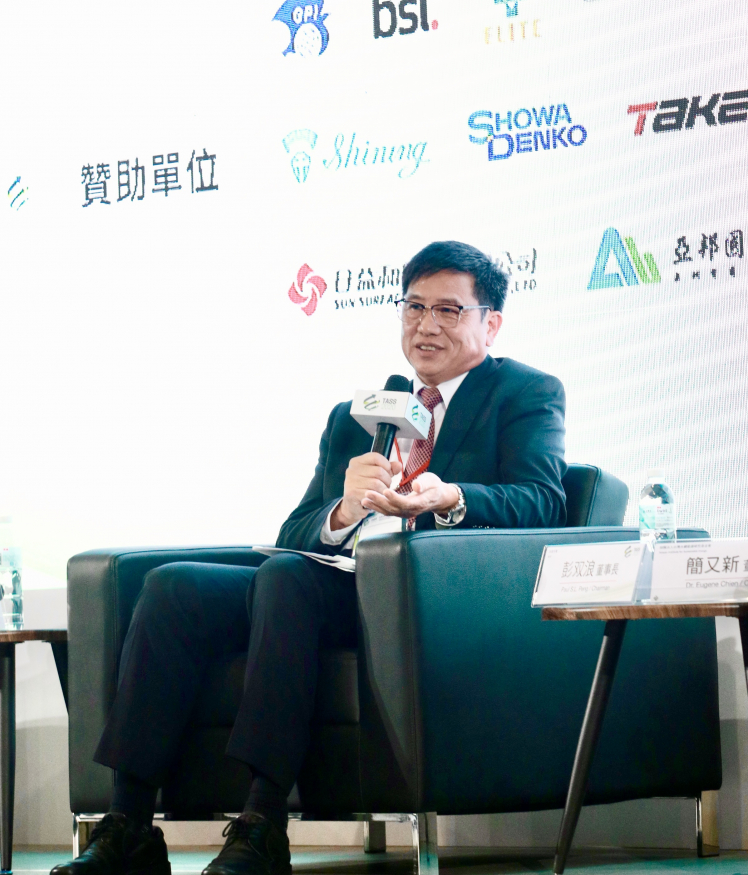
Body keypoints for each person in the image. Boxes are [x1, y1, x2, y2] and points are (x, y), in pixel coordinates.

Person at [52, 241, 566, 875]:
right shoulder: (359, 415)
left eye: (448, 310)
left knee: (287, 580)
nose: (426, 325)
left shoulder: (524, 393)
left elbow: (544, 500)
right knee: (172, 587)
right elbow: (295, 530)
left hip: (427, 600)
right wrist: (343, 512)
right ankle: (129, 824)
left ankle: (262, 824)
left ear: (491, 323)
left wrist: (451, 496)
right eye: (414, 307)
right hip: (325, 583)